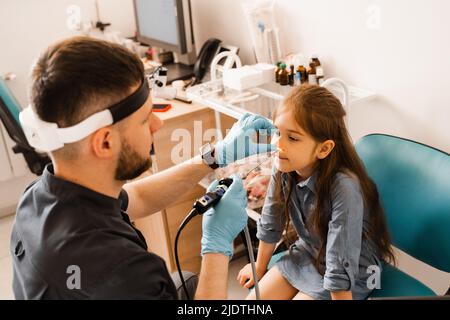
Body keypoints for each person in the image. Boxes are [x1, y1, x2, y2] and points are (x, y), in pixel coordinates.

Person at [10, 36, 274, 300]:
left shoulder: (36, 197)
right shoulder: (123, 272)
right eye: (145, 119)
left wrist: (215, 156)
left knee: (189, 282)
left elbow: (136, 197)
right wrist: (217, 247)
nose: (157, 124)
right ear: (104, 142)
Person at [237, 84, 396, 300]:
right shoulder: (283, 166)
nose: (278, 144)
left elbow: (340, 261)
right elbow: (271, 220)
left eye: (292, 138)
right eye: (277, 132)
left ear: (323, 149)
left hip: (354, 270)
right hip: (309, 252)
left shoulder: (344, 187)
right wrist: (259, 265)